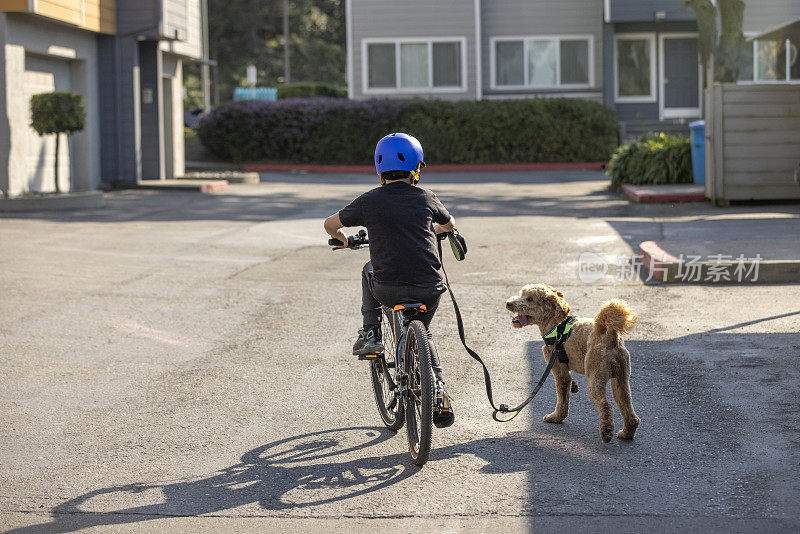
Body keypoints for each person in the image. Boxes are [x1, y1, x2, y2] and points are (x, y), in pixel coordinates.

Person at [324, 133, 455, 425]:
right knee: (425, 333)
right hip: (428, 288)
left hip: (388, 290)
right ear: (417, 169)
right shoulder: (426, 197)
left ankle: (370, 333)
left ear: (379, 169)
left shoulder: (370, 200)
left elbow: (330, 224)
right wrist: (433, 231)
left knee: (369, 268)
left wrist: (343, 238)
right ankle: (438, 391)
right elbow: (449, 223)